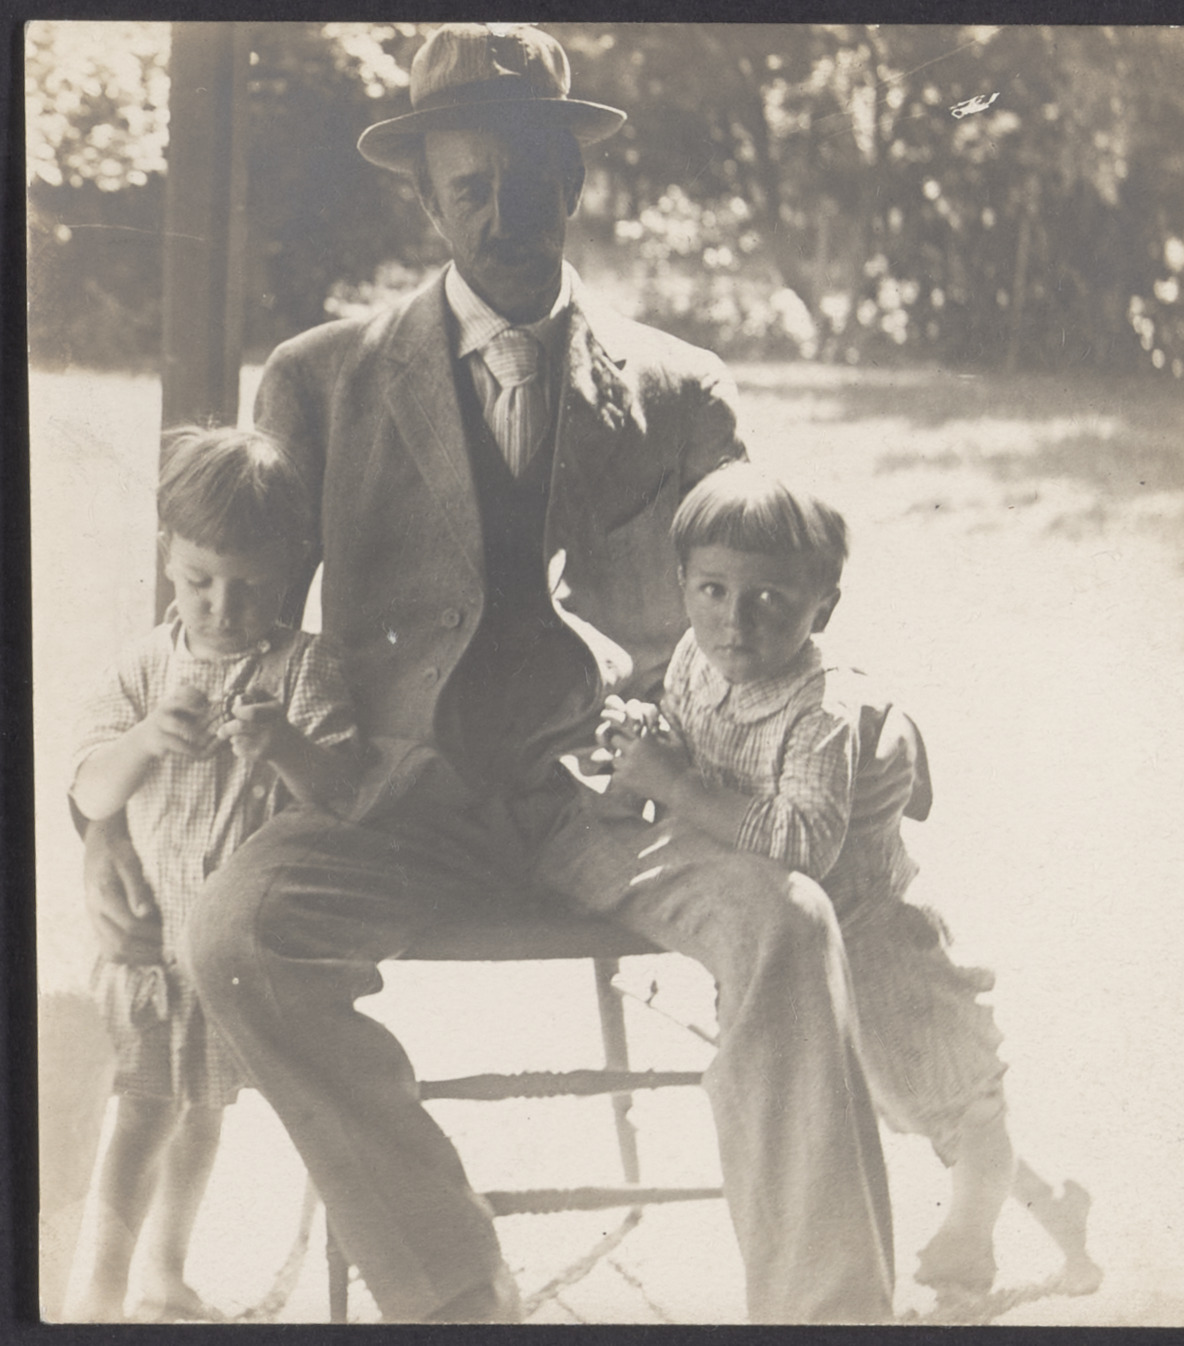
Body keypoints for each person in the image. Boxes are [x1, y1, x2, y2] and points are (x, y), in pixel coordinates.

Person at [81, 24, 899, 1324]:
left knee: (787, 921)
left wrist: (845, 735)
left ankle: (825, 1310)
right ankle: (453, 1285)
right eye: (471, 187)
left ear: (573, 177)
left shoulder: (681, 389)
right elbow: (217, 625)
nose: (504, 214)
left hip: (621, 802)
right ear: (427, 196)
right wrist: (108, 821)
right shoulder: (320, 379)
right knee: (231, 935)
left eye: (529, 181)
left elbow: (775, 605)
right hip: (393, 798)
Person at [597, 462, 1104, 1304]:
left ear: (822, 608)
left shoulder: (819, 712)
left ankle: (966, 1251)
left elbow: (801, 841)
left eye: (770, 599)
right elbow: (693, 739)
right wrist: (653, 736)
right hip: (804, 951)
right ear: (682, 583)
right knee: (904, 1106)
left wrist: (673, 786)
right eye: (713, 590)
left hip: (876, 944)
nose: (734, 623)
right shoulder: (695, 657)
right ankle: (1058, 1211)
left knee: (958, 1108)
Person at [68, 426, 359, 1322]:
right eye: (199, 582)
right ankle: (96, 1298)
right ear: (167, 556)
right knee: (140, 1119)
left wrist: (286, 747)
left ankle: (164, 1271)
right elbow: (89, 787)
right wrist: (145, 739)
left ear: (291, 571)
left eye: (250, 588)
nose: (223, 610)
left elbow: (343, 796)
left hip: (233, 956)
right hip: (154, 954)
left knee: (203, 1114)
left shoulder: (304, 669)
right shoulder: (145, 667)